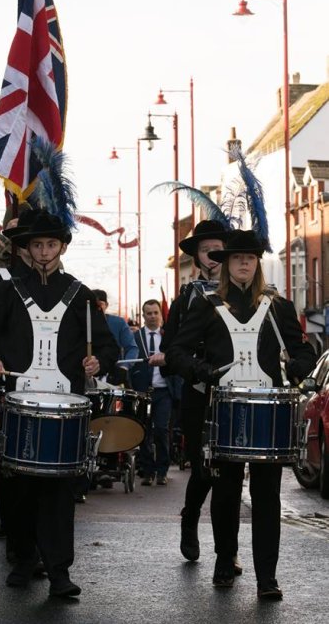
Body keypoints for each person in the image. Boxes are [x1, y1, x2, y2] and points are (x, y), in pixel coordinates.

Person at [0, 209, 118, 598]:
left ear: (62, 247)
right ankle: (22, 557)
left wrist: (97, 360)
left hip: (65, 406)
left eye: (52, 244)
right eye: (37, 244)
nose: (45, 251)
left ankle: (59, 572)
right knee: (16, 486)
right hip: (19, 401)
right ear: (26, 250)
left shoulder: (80, 294)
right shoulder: (6, 290)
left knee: (59, 491)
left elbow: (107, 345)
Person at [165, 229, 316, 600]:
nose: (244, 263)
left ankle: (267, 577)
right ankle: (224, 561)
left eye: (250, 257)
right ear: (227, 264)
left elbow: (302, 351)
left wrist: (299, 365)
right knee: (226, 491)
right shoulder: (207, 304)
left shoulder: (278, 307)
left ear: (257, 263)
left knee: (267, 496)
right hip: (224, 407)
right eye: (237, 258)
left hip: (267, 409)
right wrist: (203, 372)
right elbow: (178, 352)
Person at [152, 220, 237, 565]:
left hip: (235, 391)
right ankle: (190, 519)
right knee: (204, 469)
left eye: (219, 250)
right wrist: (171, 360)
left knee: (229, 471)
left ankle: (227, 554)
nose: (213, 257)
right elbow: (171, 348)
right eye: (206, 251)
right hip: (199, 391)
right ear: (198, 257)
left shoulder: (245, 293)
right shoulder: (187, 296)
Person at [132, 299, 181, 486]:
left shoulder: (168, 337)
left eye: (155, 313)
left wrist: (177, 393)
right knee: (143, 431)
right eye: (148, 313)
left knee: (161, 430)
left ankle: (162, 470)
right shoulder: (136, 338)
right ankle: (148, 471)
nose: (152, 316)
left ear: (160, 315)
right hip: (142, 392)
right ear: (143, 316)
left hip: (163, 392)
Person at [92, 289, 139, 386]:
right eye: (94, 304)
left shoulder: (119, 323)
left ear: (106, 305)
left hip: (113, 377)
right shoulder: (82, 323)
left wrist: (124, 367)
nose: (98, 308)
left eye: (100, 304)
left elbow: (132, 348)